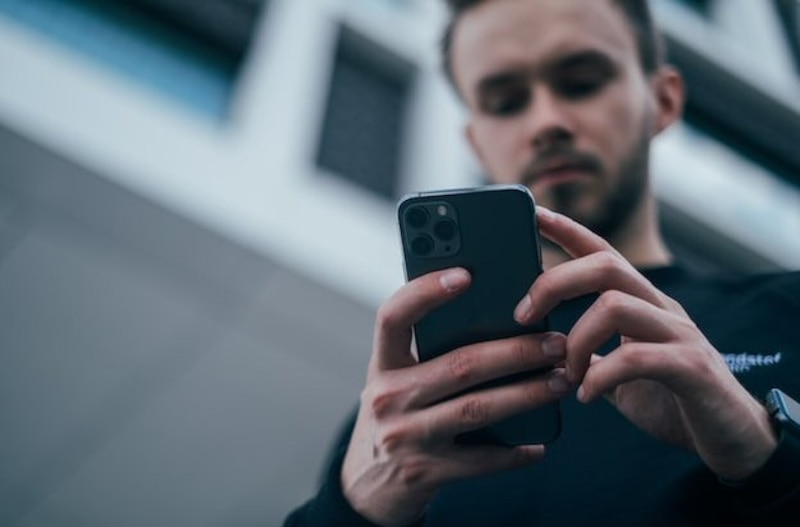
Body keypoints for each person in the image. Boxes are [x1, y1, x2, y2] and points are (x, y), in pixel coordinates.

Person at [284, 0, 800, 525]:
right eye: (506, 102)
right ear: (477, 143)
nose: (547, 122)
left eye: (581, 82)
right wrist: (350, 510)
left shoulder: (790, 312)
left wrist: (765, 453)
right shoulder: (404, 416)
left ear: (662, 101)